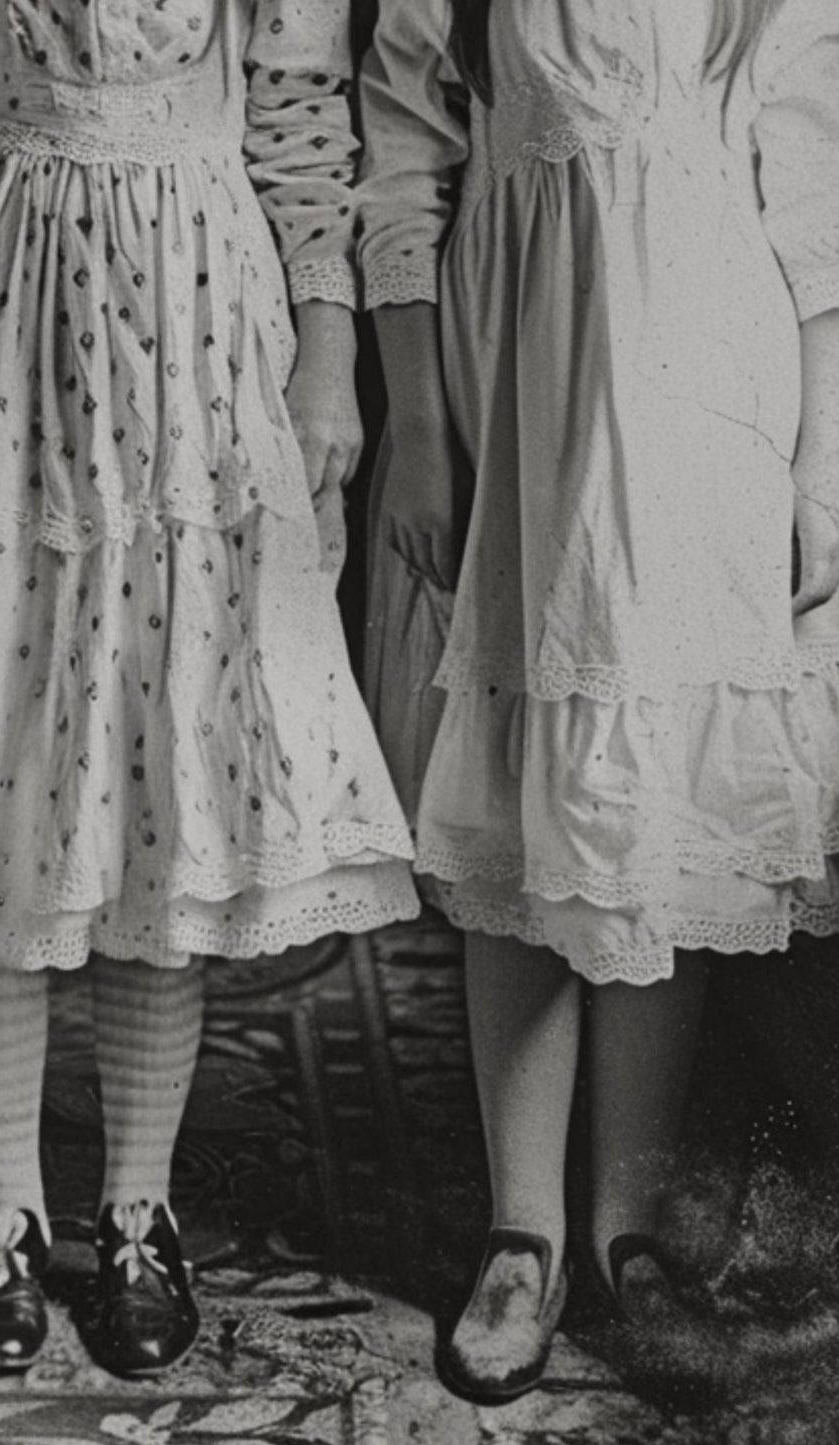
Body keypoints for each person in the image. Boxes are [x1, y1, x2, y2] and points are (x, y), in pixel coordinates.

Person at [0, 0, 419, 1380]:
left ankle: (134, 1209)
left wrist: (330, 365)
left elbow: (300, 124)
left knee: (151, 765)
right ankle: (4, 1211)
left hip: (197, 323)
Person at [355, 0, 839, 1405]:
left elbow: (813, 202)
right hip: (521, 377)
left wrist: (819, 464)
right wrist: (419, 432)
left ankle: (629, 1229)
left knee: (659, 811)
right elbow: (400, 153)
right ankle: (523, 1232)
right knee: (523, 799)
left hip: (709, 380)